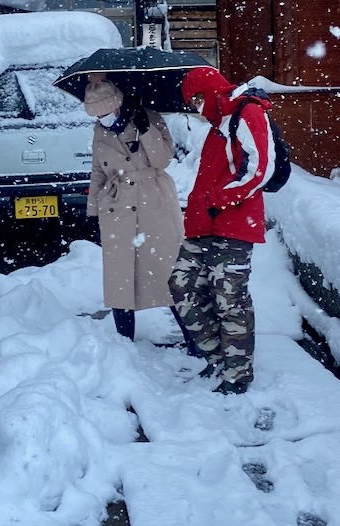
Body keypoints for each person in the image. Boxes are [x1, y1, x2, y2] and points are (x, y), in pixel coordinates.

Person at [169, 66, 274, 394]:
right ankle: (219, 360)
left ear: (214, 89)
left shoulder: (248, 112)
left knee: (230, 299)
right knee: (180, 286)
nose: (197, 106)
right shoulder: (218, 129)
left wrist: (218, 199)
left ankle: (237, 374)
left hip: (234, 226)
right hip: (204, 226)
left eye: (199, 97)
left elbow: (259, 170)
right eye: (192, 102)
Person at [83, 74, 184, 340]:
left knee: (168, 272)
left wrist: (146, 130)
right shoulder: (100, 130)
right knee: (120, 279)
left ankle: (193, 338)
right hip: (117, 206)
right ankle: (123, 341)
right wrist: (93, 211)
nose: (102, 118)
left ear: (116, 103)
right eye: (96, 114)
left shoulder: (147, 117)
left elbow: (163, 160)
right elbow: (98, 171)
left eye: (105, 111)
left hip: (154, 201)